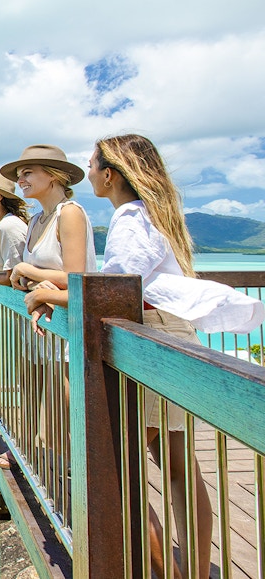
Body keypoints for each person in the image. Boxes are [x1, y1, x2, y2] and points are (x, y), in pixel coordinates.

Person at [26, 134, 264, 578]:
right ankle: (190, 571)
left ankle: (164, 573)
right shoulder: (157, 214)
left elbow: (115, 291)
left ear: (110, 173)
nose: (90, 172)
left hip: (148, 340)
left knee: (121, 467)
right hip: (173, 332)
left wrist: (48, 294)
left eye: (93, 165)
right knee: (178, 467)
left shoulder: (130, 218)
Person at [0, 144, 97, 469]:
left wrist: (29, 273)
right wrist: (31, 281)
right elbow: (33, 277)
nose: (21, 180)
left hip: (65, 330)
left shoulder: (70, 213)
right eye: (19, 174)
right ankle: (34, 460)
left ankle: (76, 496)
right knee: (42, 410)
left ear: (53, 175)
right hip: (41, 327)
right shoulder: (37, 221)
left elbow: (77, 278)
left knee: (64, 421)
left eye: (27, 173)